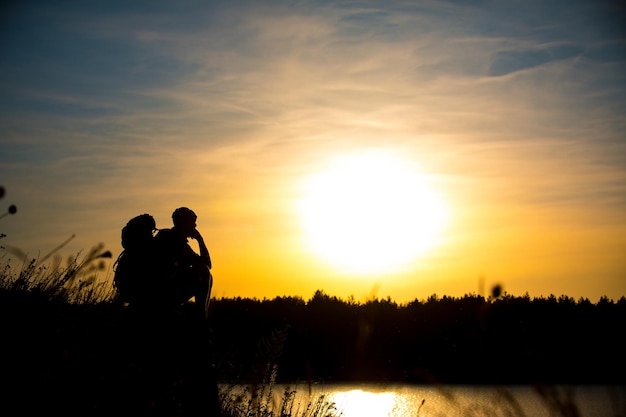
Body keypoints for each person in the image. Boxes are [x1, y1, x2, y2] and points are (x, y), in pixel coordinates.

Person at [153, 207, 213, 318]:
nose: (195, 227)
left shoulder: (183, 245)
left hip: (170, 290)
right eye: (193, 223)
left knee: (204, 271)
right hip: (162, 292)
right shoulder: (167, 237)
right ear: (184, 223)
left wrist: (200, 240)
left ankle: (201, 316)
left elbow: (207, 264)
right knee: (202, 271)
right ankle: (201, 317)